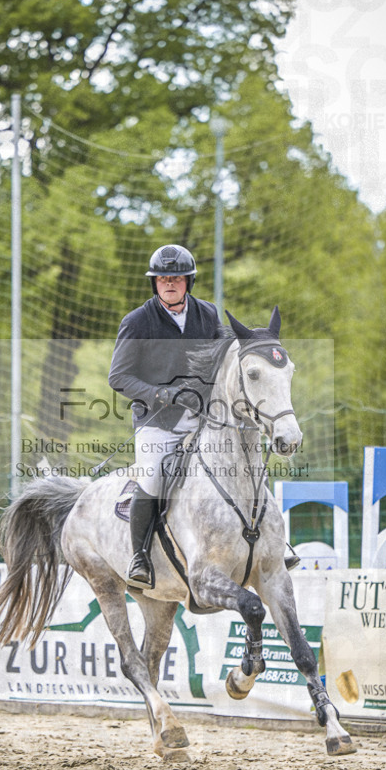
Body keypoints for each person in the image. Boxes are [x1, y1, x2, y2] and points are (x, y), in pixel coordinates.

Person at [108, 244, 225, 588]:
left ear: (188, 281)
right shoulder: (137, 321)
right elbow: (118, 377)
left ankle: (268, 540)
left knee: (241, 459)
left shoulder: (208, 314)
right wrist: (161, 393)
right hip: (158, 421)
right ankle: (140, 557)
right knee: (153, 477)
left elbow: (225, 353)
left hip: (203, 417)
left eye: (176, 278)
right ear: (154, 283)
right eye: (162, 279)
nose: (169, 284)